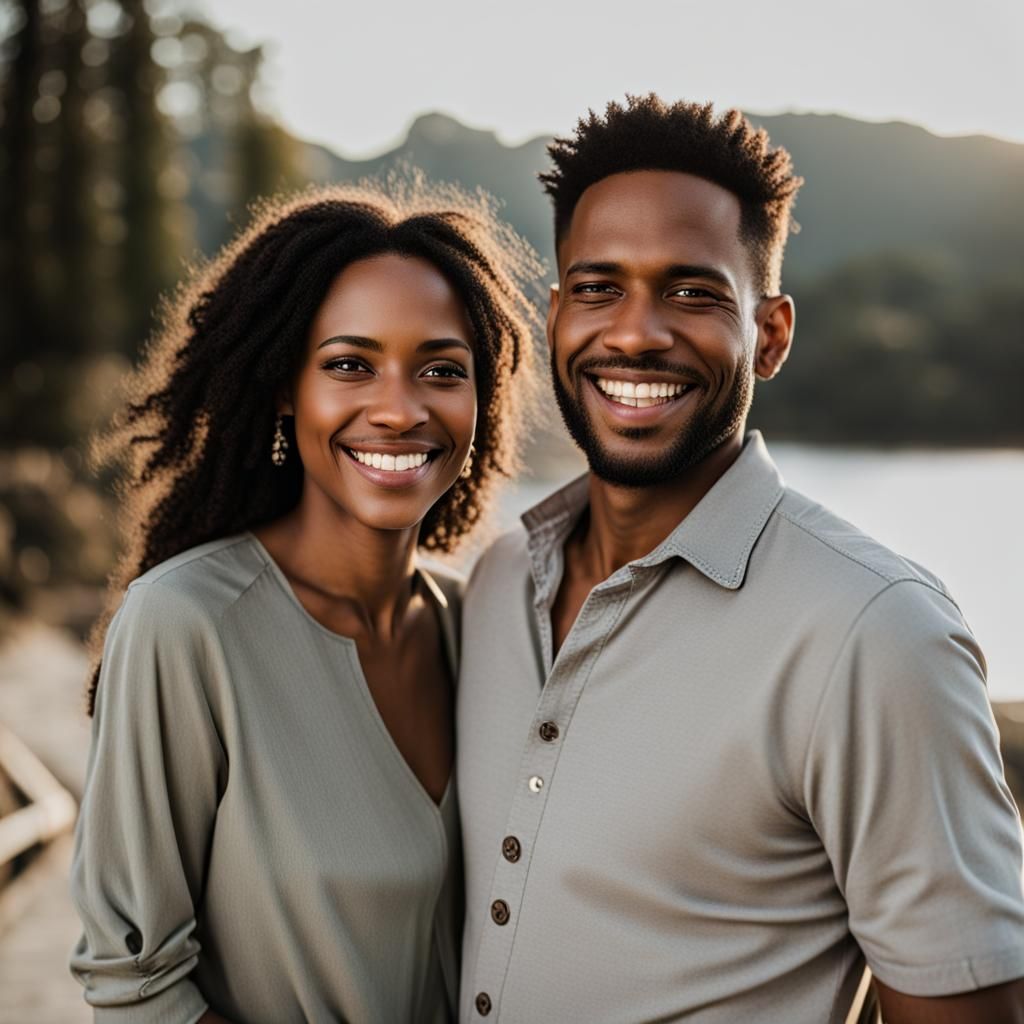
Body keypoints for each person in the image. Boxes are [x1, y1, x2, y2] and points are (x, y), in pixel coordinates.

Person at [456, 96, 1024, 1023]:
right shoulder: (494, 583)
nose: (636, 332)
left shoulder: (875, 634)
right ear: (556, 316)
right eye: (599, 288)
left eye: (693, 292)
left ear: (771, 334)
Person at [69, 181, 539, 1023]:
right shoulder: (187, 625)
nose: (398, 409)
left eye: (441, 369)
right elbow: (133, 982)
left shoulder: (486, 625)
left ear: (481, 400)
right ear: (286, 389)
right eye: (350, 365)